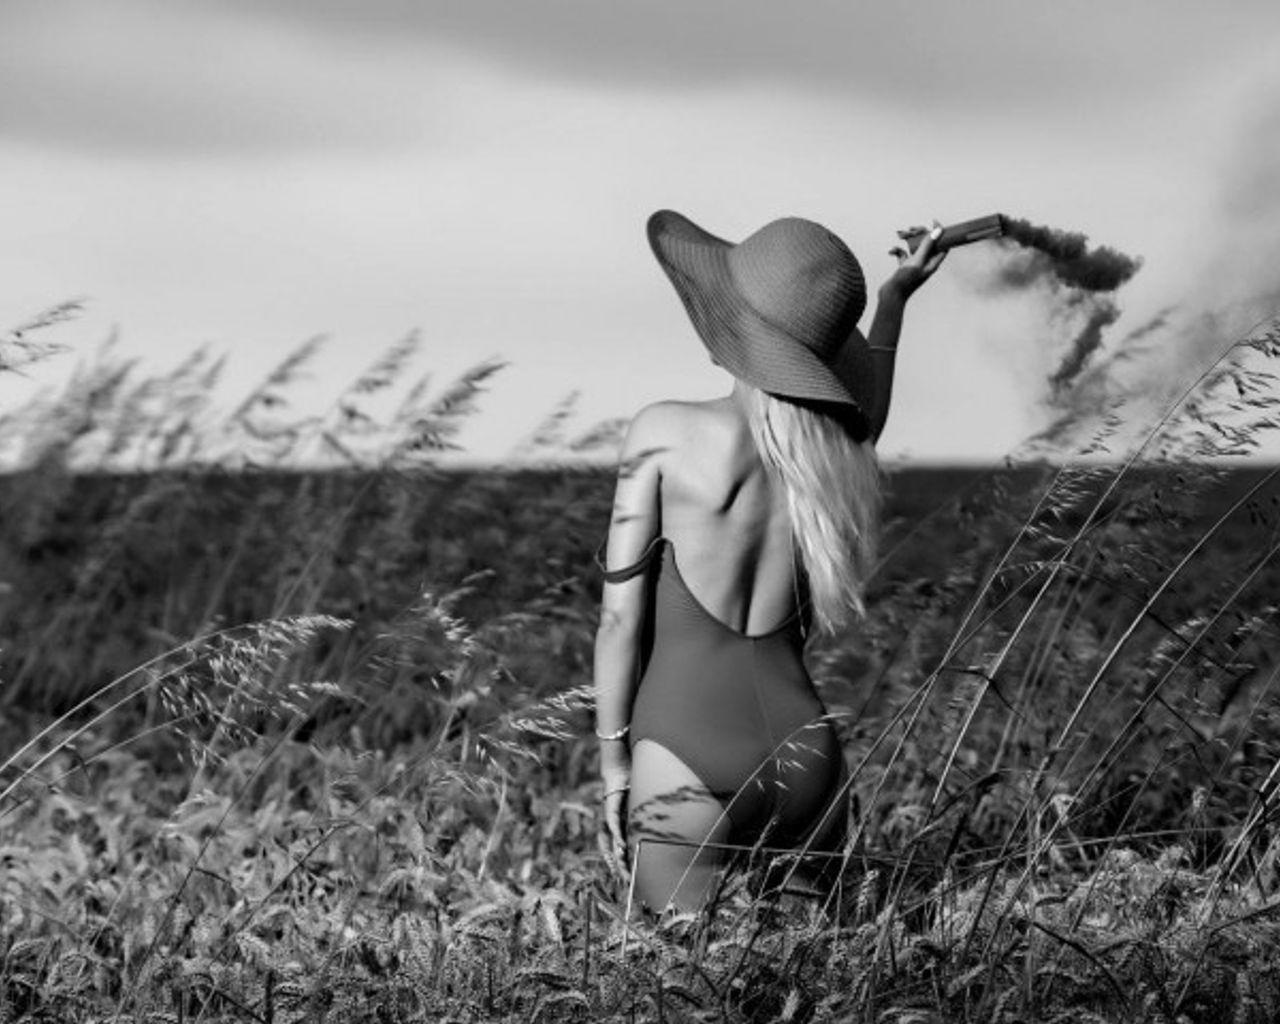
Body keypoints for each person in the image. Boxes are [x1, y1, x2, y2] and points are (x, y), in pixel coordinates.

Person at [593, 209, 946, 913]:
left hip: (683, 754)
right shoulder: (834, 460)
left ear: (738, 328)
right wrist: (893, 301)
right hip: (807, 754)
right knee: (813, 970)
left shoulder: (662, 432)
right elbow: (866, 412)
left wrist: (613, 765)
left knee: (665, 969)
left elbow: (618, 622)